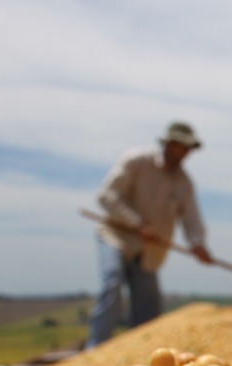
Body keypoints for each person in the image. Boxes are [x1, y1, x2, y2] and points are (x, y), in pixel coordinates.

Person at [86, 121, 214, 348]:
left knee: (149, 307)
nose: (185, 153)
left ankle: (143, 356)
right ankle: (96, 348)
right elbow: (107, 196)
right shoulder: (137, 162)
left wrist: (198, 244)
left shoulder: (184, 183)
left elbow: (192, 219)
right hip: (117, 236)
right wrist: (136, 223)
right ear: (169, 144)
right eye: (181, 147)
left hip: (149, 250)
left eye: (189, 149)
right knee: (112, 282)